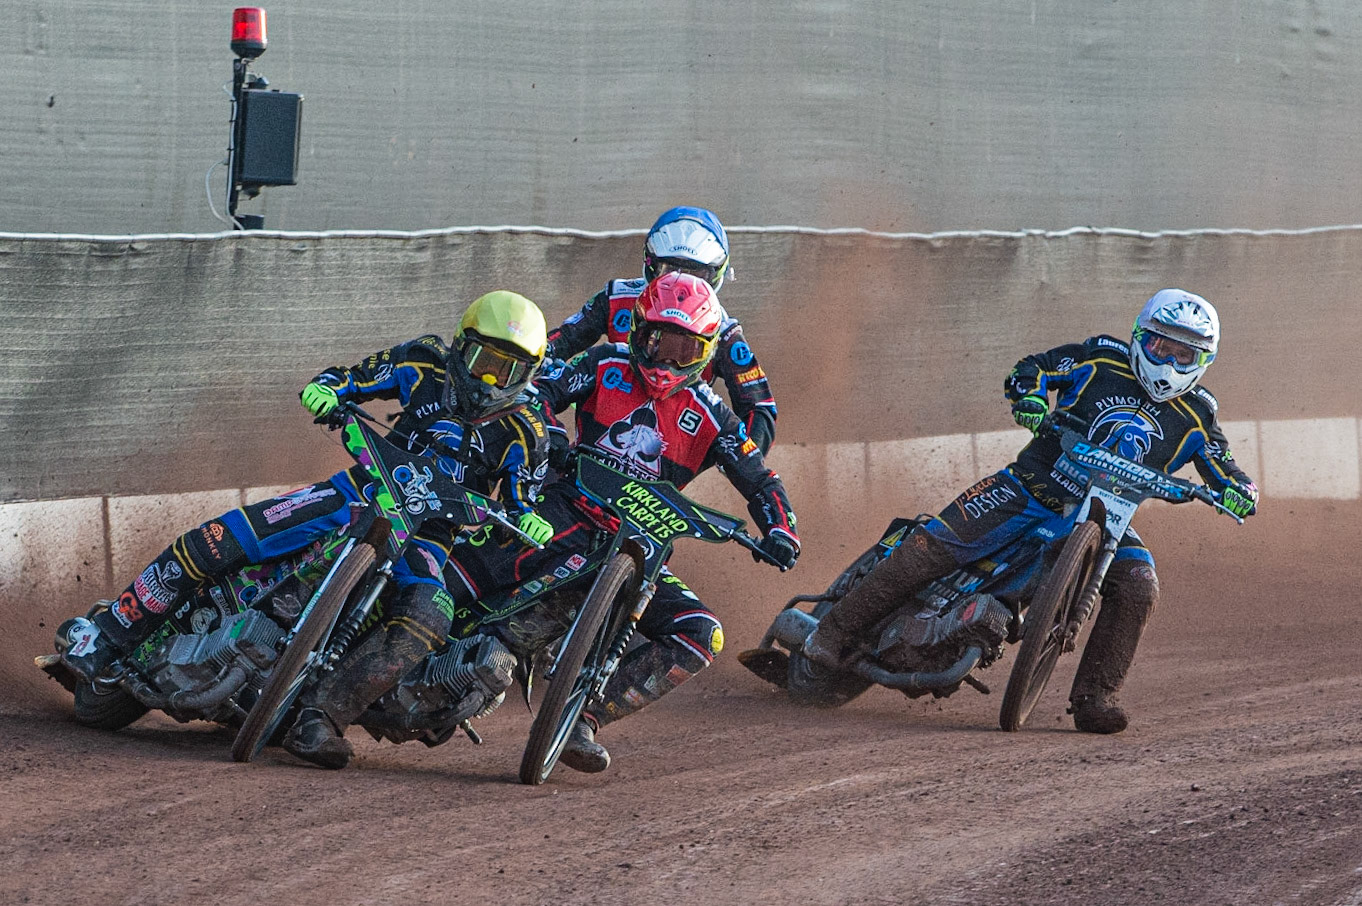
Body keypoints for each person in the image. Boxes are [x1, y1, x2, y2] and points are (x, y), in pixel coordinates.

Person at [59, 291, 555, 768]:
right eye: (481, 359)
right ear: (460, 343)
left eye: (505, 369)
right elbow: (349, 378)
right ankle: (108, 632)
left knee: (430, 618)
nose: (487, 378)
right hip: (358, 492)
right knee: (223, 538)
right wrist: (327, 391)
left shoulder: (526, 432)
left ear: (526, 376)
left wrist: (525, 518)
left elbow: (521, 501)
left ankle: (322, 718)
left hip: (428, 538)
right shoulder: (424, 361)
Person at [802, 289, 1259, 734]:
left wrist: (1241, 491)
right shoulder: (1100, 358)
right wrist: (1031, 396)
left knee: (1140, 585)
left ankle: (1096, 697)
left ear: (1203, 362)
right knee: (932, 547)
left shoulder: (1199, 414)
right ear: (1141, 336)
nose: (1169, 362)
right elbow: (1035, 368)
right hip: (1028, 488)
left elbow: (1224, 467)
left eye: (1185, 355)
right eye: (1161, 345)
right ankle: (832, 633)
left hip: (1108, 519)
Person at [444, 271, 800, 773]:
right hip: (566, 506)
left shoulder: (714, 414)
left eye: (684, 350)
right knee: (455, 577)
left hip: (641, 547)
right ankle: (387, 637)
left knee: (702, 633)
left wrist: (781, 530)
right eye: (657, 341)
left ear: (705, 354)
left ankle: (584, 717)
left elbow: (761, 480)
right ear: (636, 330)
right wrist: (554, 441)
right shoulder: (602, 362)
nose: (666, 360)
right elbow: (537, 393)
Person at [546, 205, 779, 454]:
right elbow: (553, 345)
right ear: (650, 265)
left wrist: (743, 455)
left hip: (669, 445)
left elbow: (759, 405)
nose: (680, 285)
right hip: (599, 424)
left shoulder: (724, 332)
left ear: (715, 275)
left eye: (695, 274)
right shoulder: (616, 297)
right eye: (670, 270)